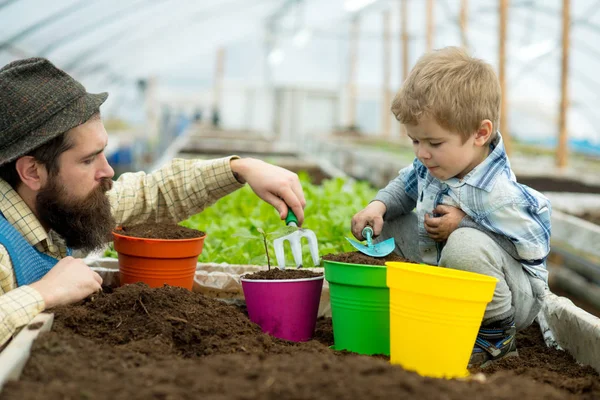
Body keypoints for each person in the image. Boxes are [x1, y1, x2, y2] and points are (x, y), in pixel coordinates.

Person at [0, 58, 306, 347]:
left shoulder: (56, 208)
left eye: (102, 153)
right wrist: (43, 292)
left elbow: (151, 195)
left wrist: (241, 169)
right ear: (31, 172)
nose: (107, 171)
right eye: (89, 159)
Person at [351, 47, 551, 368]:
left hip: (512, 297)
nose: (422, 153)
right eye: (415, 141)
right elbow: (405, 184)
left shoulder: (499, 192)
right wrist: (378, 206)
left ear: (480, 133)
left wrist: (465, 224)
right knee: (385, 224)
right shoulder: (433, 164)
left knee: (465, 246)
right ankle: (417, 306)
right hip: (443, 267)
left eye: (433, 143)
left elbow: (533, 248)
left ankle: (495, 337)